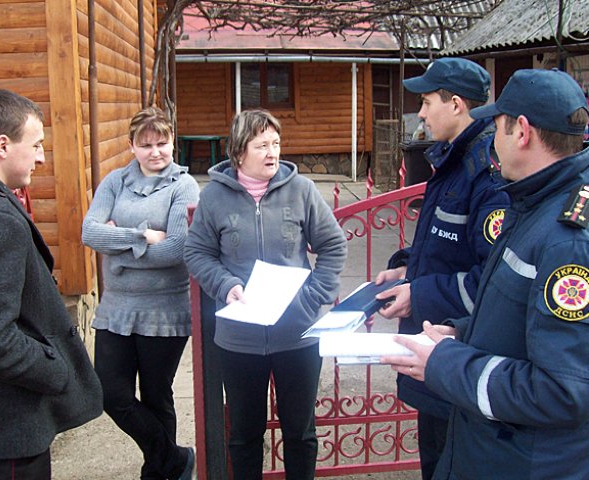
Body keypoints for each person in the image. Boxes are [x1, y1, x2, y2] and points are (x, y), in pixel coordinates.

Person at [383, 68, 589, 479]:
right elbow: (512, 310)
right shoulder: (533, 201)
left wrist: (447, 363)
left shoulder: (568, 240)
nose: (492, 139)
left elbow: (563, 392)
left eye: (496, 127)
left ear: (522, 132)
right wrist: (462, 333)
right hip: (494, 449)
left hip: (523, 461)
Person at [0, 89, 103, 479]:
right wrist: (56, 368)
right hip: (6, 426)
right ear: (2, 145)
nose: (41, 157)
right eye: (35, 145)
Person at [183, 109, 347, 479]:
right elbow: (197, 253)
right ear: (239, 152)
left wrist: (311, 298)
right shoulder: (214, 199)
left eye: (276, 143)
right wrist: (225, 285)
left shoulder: (302, 191)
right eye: (262, 146)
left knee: (301, 434)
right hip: (239, 339)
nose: (272, 152)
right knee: (243, 435)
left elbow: (334, 245)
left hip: (298, 335)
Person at [372, 57, 510, 479]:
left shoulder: (486, 173)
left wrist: (420, 293)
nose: (422, 113)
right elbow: (443, 247)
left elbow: (490, 278)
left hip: (459, 355)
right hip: (436, 355)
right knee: (434, 457)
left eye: (428, 101)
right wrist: (407, 271)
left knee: (450, 464)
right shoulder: (453, 161)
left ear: (455, 105)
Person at [82, 106, 199, 480]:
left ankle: (158, 472)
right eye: (145, 144)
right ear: (131, 145)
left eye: (162, 143)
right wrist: (142, 236)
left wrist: (117, 252)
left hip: (165, 309)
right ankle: (176, 459)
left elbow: (177, 249)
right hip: (116, 308)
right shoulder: (115, 182)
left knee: (156, 395)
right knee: (110, 395)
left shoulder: (184, 185)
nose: (155, 152)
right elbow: (89, 233)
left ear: (172, 143)